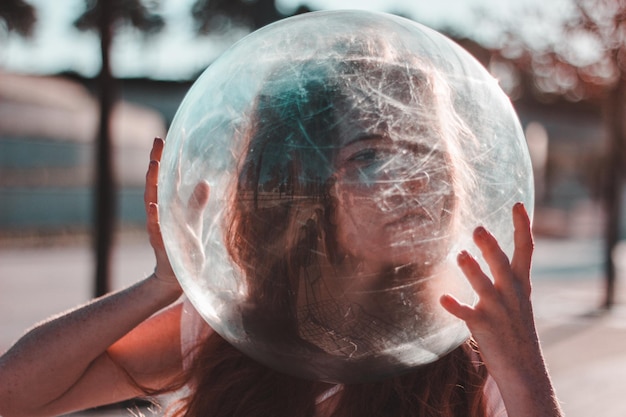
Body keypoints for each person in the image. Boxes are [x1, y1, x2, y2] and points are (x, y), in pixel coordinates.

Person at [0, 55, 563, 417]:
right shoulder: (232, 331)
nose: (414, 180)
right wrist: (158, 286)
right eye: (369, 155)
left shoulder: (467, 360)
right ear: (302, 183)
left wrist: (524, 372)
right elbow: (17, 395)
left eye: (431, 153)